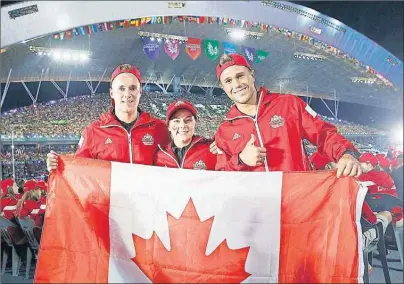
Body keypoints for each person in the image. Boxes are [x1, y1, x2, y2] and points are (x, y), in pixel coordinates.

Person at [212, 53, 362, 177]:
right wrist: (241, 160)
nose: (236, 85)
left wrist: (345, 153)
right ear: (223, 86)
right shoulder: (224, 132)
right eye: (228, 81)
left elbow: (323, 134)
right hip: (257, 208)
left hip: (298, 201)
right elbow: (221, 177)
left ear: (252, 75)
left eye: (240, 76)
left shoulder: (289, 104)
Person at [46, 64, 170, 170]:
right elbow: (80, 172)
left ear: (140, 92)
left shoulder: (160, 129)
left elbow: (177, 162)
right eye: (121, 89)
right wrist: (59, 165)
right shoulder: (93, 132)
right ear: (112, 93)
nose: (127, 94)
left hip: (147, 198)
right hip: (110, 198)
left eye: (133, 88)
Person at [154, 100, 216, 170]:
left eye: (188, 120)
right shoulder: (159, 156)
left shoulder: (212, 149)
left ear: (195, 123)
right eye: (176, 121)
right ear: (168, 126)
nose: (182, 125)